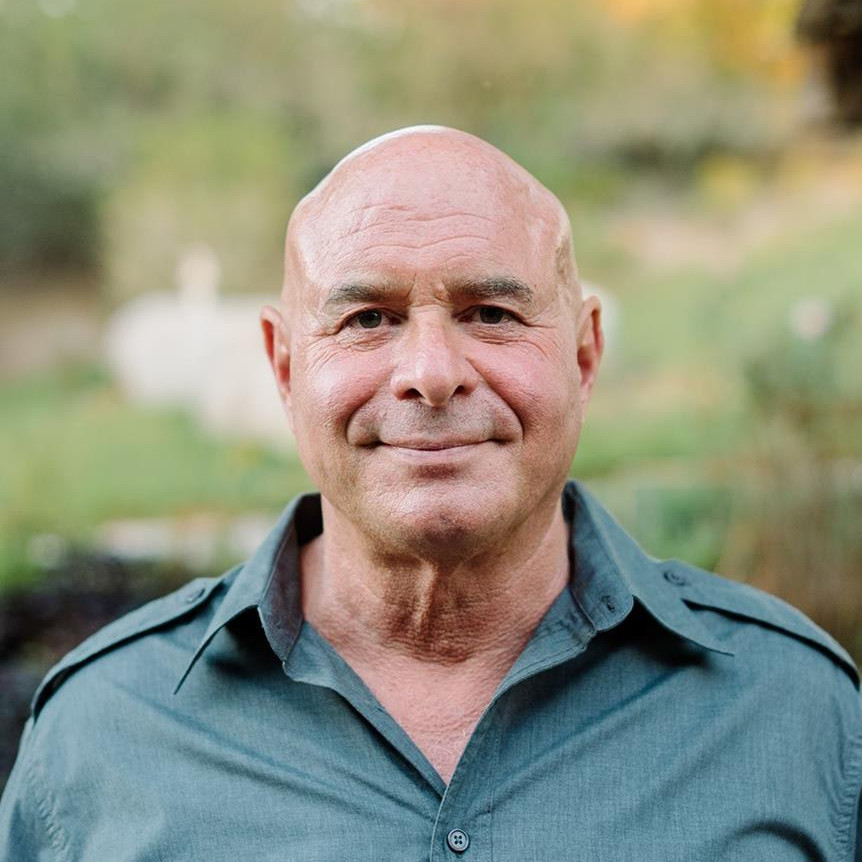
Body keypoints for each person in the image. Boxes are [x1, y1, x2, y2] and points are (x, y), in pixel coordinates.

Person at [1, 126, 860, 861]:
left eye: (491, 312)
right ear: (286, 367)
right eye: (367, 318)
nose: (431, 375)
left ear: (586, 356)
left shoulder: (797, 714)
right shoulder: (101, 733)